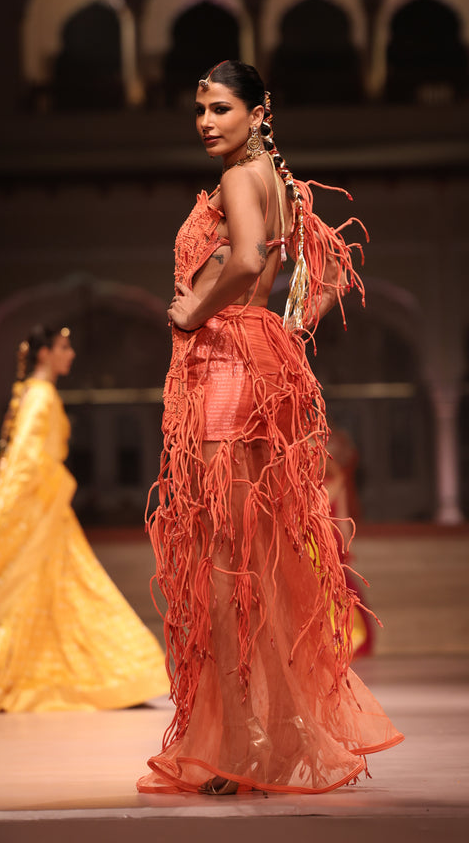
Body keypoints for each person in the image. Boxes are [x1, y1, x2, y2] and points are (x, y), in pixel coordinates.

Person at [137, 61, 403, 795]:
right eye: (199, 110)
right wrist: (288, 324)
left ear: (260, 112)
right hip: (266, 366)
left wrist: (195, 309)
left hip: (228, 368)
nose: (206, 122)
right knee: (262, 557)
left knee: (226, 566)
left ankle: (240, 750)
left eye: (221, 108)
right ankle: (271, 738)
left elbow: (249, 258)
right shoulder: (280, 183)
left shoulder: (236, 182)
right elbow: (330, 272)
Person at [0, 326, 168, 713]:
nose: (71, 354)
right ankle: (108, 675)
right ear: (44, 354)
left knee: (66, 590)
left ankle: (93, 674)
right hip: (41, 509)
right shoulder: (42, 396)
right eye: (64, 347)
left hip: (45, 507)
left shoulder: (32, 395)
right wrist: (20, 511)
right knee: (68, 589)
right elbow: (27, 462)